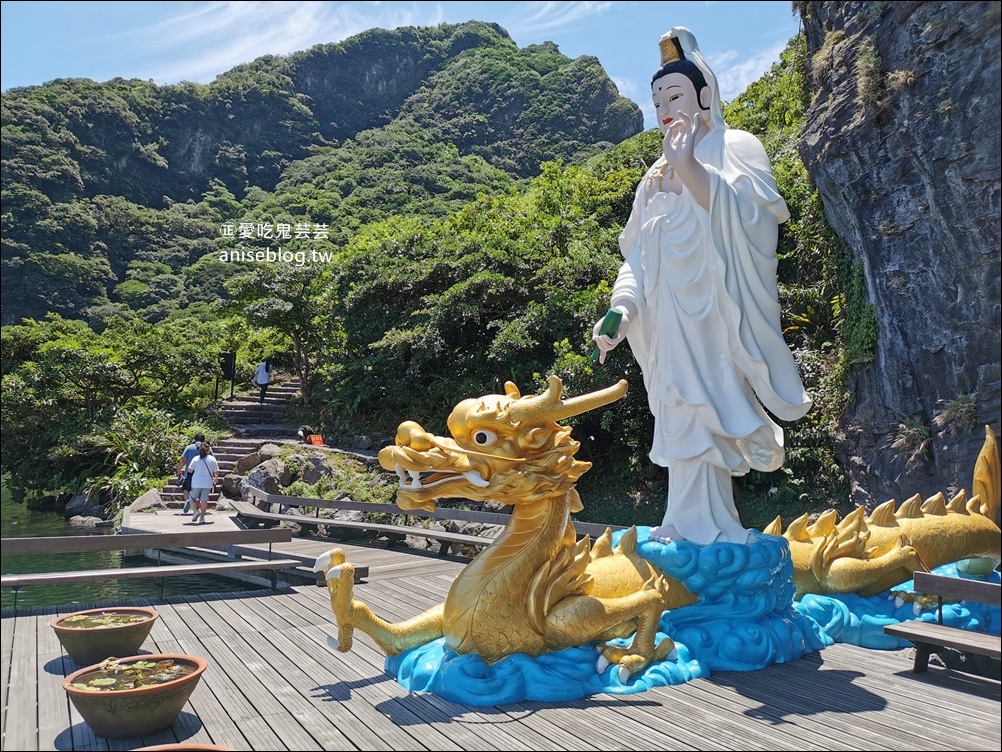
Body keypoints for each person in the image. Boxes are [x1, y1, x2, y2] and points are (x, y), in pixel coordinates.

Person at [592, 26, 812, 546]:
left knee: (710, 415)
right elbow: (639, 256)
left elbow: (754, 222)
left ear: (704, 95)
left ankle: (717, 528)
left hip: (716, 319)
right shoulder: (652, 176)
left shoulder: (736, 146)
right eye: (657, 100)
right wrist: (620, 310)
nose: (665, 108)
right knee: (677, 417)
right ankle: (684, 524)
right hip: (667, 325)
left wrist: (691, 167)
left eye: (675, 95)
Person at [187, 441, 220, 524]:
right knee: (204, 501)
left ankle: (195, 511)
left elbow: (190, 470)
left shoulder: (196, 459)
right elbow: (216, 471)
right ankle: (202, 517)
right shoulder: (212, 459)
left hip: (196, 483)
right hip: (207, 483)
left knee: (192, 498)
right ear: (208, 450)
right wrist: (216, 479)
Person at [176, 433, 207, 515]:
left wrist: (179, 469)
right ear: (204, 440)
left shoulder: (189, 448)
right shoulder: (206, 448)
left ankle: (188, 500)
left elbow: (183, 460)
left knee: (186, 489)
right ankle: (198, 507)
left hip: (189, 473)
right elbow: (211, 459)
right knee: (201, 491)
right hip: (202, 475)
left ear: (195, 439)